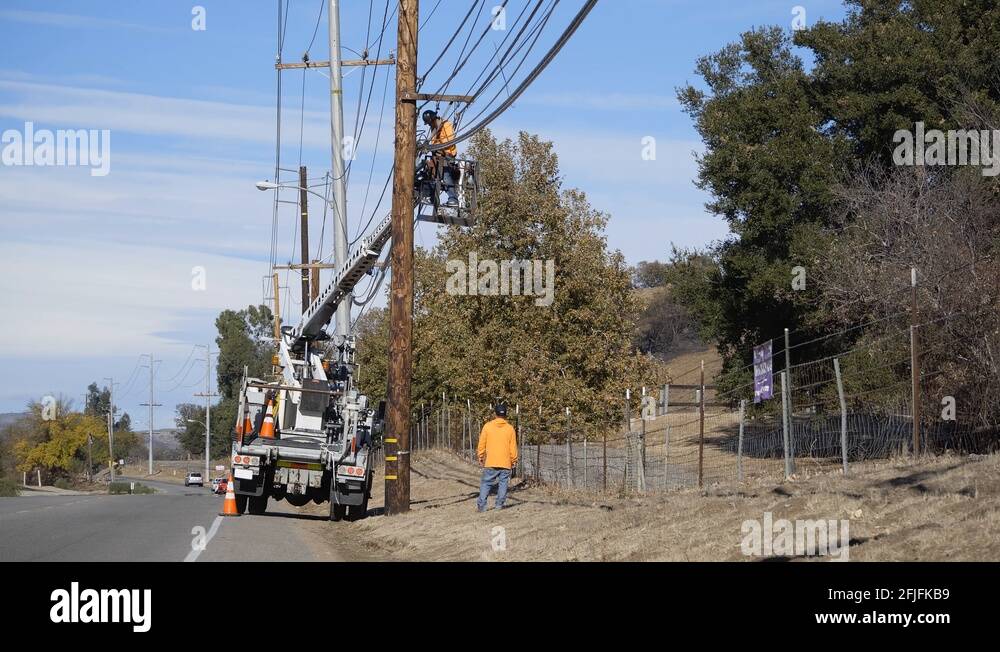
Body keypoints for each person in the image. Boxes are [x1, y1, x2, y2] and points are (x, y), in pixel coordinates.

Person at [476, 402, 518, 512]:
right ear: (506, 414)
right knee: (503, 484)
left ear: (495, 414)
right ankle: (499, 505)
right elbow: (513, 447)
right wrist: (514, 460)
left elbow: (482, 443)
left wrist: (480, 456)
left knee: (486, 483)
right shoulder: (510, 429)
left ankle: (482, 506)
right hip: (505, 462)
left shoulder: (487, 426)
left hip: (491, 461)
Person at [420, 109, 458, 206]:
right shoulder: (434, 129)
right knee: (430, 174)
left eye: (429, 123)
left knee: (446, 176)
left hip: (448, 156)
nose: (429, 125)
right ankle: (431, 197)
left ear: (433, 119)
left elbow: (450, 141)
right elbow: (434, 143)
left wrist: (435, 148)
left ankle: (453, 199)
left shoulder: (446, 125)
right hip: (437, 156)